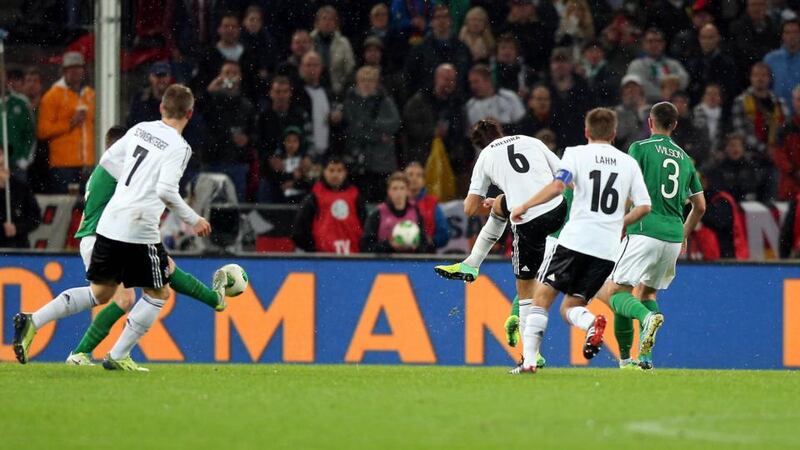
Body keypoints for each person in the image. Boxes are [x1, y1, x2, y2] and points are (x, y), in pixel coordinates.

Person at [12, 85, 213, 371]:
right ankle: (107, 354)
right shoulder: (178, 147)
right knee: (152, 292)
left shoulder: (139, 131)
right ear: (190, 114)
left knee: (103, 293)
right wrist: (193, 219)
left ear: (161, 107)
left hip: (106, 229)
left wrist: (132, 182)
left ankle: (34, 321)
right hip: (124, 229)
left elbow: (108, 160)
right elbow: (166, 190)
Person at [64, 125, 227, 366]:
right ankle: (82, 353)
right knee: (124, 298)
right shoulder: (119, 175)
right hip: (105, 237)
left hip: (108, 235)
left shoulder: (109, 171)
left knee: (164, 269)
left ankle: (215, 300)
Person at [508, 108, 652, 374]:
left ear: (586, 131)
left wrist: (524, 206)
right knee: (571, 306)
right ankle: (590, 324)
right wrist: (620, 222)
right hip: (607, 249)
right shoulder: (628, 163)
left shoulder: (575, 154)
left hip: (575, 240)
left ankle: (529, 362)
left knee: (541, 299)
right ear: (614, 133)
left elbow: (557, 186)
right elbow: (644, 206)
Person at [596, 102, 706, 370]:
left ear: (650, 122)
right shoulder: (685, 158)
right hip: (672, 237)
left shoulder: (640, 148)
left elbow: (627, 188)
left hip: (644, 230)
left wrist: (618, 222)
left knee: (617, 291)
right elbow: (700, 206)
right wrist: (684, 234)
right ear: (674, 125)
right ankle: (644, 360)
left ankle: (636, 338)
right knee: (647, 293)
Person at [37, 51, 95, 193]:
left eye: (78, 67)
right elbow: (42, 131)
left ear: (84, 70)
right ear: (63, 71)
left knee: (89, 203)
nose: (75, 71)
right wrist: (70, 124)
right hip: (63, 165)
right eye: (71, 68)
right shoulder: (52, 96)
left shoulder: (90, 94)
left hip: (90, 162)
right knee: (66, 204)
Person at [342, 66, 401, 202]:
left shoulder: (385, 100)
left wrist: (369, 124)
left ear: (376, 82)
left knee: (381, 199)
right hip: (358, 160)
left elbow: (394, 124)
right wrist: (378, 136)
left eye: (370, 80)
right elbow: (353, 130)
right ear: (357, 82)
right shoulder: (350, 101)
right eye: (363, 80)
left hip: (382, 161)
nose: (366, 84)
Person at [201, 60, 256, 201]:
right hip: (212, 161)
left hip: (237, 163)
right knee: (209, 206)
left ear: (240, 77)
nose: (230, 77)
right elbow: (195, 114)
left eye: (234, 73)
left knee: (235, 207)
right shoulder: (210, 101)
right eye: (227, 73)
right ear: (220, 76)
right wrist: (208, 93)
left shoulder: (247, 106)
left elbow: (255, 132)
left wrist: (247, 139)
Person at [292, 156, 366, 255]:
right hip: (322, 259)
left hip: (353, 257)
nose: (335, 175)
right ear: (324, 172)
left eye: (339, 170)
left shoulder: (356, 196)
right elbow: (298, 231)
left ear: (345, 173)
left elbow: (365, 228)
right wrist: (314, 250)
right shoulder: (313, 198)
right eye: (331, 170)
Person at [402, 63, 466, 168]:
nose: (450, 83)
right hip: (423, 158)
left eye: (453, 80)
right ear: (437, 79)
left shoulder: (457, 103)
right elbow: (409, 125)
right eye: (446, 79)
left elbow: (461, 129)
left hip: (450, 159)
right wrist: (432, 132)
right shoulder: (420, 101)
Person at [403, 4, 472, 97]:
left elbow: (467, 77)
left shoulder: (462, 49)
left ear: (451, 21)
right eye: (438, 17)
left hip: (457, 100)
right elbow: (410, 78)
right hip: (428, 100)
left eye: (445, 16)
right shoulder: (419, 50)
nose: (441, 20)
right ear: (431, 22)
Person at [193, 11, 259, 103]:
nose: (230, 30)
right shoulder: (208, 54)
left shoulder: (248, 55)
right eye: (226, 26)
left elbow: (253, 85)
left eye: (234, 27)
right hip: (214, 103)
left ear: (239, 30)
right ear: (219, 29)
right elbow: (200, 84)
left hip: (242, 104)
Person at [361, 171, 433, 254]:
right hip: (385, 261)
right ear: (389, 191)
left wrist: (417, 247)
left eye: (402, 188)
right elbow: (365, 246)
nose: (398, 192)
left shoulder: (416, 212)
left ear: (407, 191)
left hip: (410, 260)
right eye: (394, 188)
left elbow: (424, 244)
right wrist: (389, 245)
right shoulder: (377, 214)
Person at [731, 62, 788, 157]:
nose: (759, 78)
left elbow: (787, 129)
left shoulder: (780, 103)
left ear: (769, 78)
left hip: (777, 154)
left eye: (763, 75)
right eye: (756, 75)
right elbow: (741, 133)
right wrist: (763, 148)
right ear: (750, 78)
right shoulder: (740, 102)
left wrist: (777, 149)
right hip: (750, 155)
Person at [625, 28, 689, 103]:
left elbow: (684, 79)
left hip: (673, 103)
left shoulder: (673, 64)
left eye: (658, 41)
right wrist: (662, 94)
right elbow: (638, 86)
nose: (654, 44)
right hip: (647, 104)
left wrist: (672, 92)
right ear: (643, 44)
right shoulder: (636, 65)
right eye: (650, 41)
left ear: (664, 44)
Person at [310, 6, 356, 99]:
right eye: (324, 18)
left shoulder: (344, 43)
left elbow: (350, 69)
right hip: (312, 90)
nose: (327, 22)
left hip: (337, 91)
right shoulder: (308, 41)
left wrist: (342, 89)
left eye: (331, 19)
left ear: (336, 24)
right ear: (317, 23)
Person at [465, 64, 525, 131]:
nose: (473, 86)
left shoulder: (509, 97)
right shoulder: (469, 106)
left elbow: (523, 124)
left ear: (488, 80)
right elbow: (468, 133)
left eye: (476, 82)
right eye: (471, 83)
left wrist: (502, 127)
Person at [0, 149, 40, 248]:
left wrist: (17, 228)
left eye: (3, 164)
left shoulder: (21, 187)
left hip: (18, 247)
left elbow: (35, 218)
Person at [405, 162, 450, 249]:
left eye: (419, 175)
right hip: (395, 255)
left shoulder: (432, 204)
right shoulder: (394, 203)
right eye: (410, 175)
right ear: (403, 179)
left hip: (424, 254)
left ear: (423, 181)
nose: (414, 178)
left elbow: (445, 234)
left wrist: (430, 242)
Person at [268, 126, 313, 204]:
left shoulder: (305, 160)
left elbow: (309, 182)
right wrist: (292, 175)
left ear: (300, 143)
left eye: (295, 141)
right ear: (284, 142)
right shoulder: (277, 160)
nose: (291, 144)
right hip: (282, 201)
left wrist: (294, 184)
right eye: (288, 141)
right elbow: (276, 181)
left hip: (302, 201)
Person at [764, 19, 800, 114]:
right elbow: (764, 88)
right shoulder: (770, 59)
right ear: (782, 35)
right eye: (787, 32)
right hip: (777, 115)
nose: (791, 36)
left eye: (795, 32)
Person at [774, 86, 800, 200]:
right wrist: (793, 171)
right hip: (790, 188)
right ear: (793, 101)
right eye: (799, 99)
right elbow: (779, 155)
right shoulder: (785, 128)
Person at [614, 74, 651, 153]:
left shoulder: (650, 111)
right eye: (627, 88)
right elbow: (620, 135)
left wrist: (641, 113)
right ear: (622, 92)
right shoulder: (617, 113)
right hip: (625, 153)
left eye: (634, 88)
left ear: (641, 90)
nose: (631, 91)